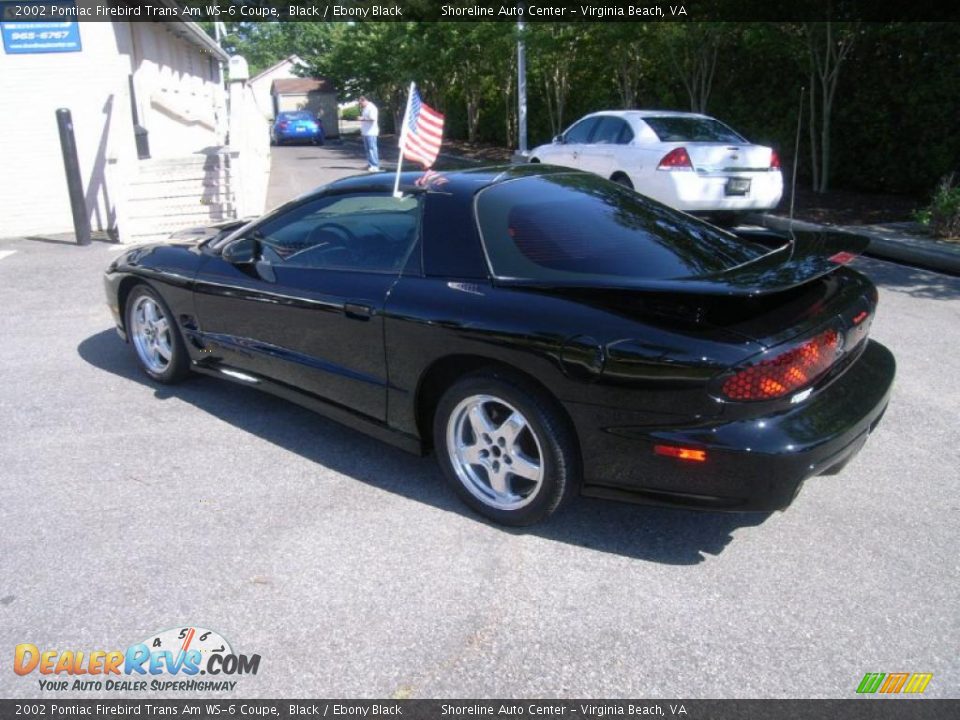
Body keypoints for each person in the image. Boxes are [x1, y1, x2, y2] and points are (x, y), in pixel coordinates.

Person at [358, 95, 380, 172]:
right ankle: (370, 164)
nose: (360, 105)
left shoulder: (371, 108)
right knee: (367, 149)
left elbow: (373, 119)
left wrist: (362, 118)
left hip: (371, 132)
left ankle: (375, 165)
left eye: (361, 103)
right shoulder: (365, 108)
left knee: (372, 149)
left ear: (364, 101)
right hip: (365, 132)